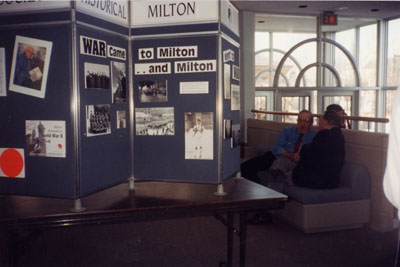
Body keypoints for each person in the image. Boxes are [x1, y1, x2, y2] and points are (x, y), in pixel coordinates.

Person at [241, 110, 316, 184]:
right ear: (297, 121)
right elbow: (276, 148)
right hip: (275, 157)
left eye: (306, 121)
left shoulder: (314, 137)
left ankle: (271, 179)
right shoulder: (287, 131)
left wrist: (297, 158)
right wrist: (292, 155)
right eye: (300, 120)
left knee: (281, 164)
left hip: (294, 164)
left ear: (311, 123)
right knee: (245, 167)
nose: (302, 124)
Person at [291, 110, 345, 189]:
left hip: (319, 180)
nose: (319, 122)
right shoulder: (339, 134)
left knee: (291, 174)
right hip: (332, 180)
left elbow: (309, 153)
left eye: (321, 120)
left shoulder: (324, 134)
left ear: (326, 121)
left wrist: (301, 152)